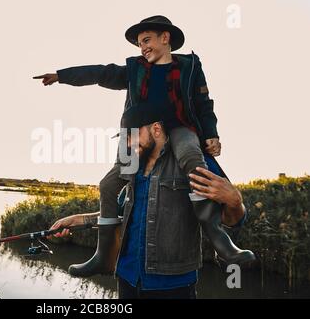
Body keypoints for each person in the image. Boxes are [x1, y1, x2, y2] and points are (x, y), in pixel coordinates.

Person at [34, 15, 254, 277]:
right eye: (139, 43)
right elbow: (101, 72)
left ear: (165, 38)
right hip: (137, 132)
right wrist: (61, 75)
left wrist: (212, 134)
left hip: (181, 128)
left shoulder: (190, 67)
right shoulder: (135, 69)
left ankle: (222, 244)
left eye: (147, 40)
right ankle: (103, 256)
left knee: (193, 161)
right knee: (109, 184)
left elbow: (205, 104)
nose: (143, 47)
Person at [50, 104, 250, 299]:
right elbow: (126, 213)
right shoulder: (132, 167)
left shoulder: (194, 159)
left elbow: (231, 219)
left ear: (155, 129)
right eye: (125, 138)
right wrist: (78, 220)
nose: (128, 143)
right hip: (127, 279)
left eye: (133, 135)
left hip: (173, 285)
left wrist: (234, 201)